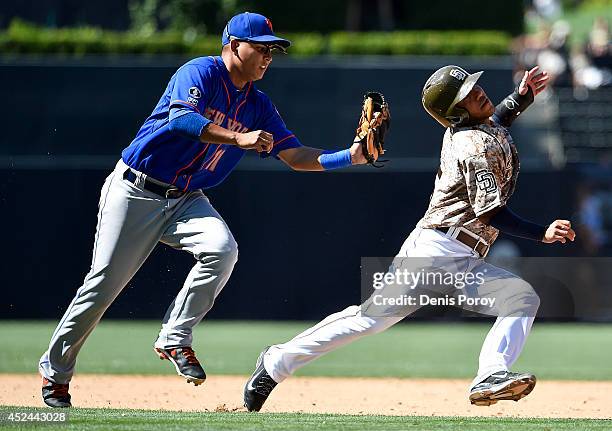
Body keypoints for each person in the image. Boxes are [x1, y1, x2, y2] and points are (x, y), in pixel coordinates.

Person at [39, 12, 380, 408]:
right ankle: (55, 373)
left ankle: (174, 336)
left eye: (273, 50)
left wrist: (350, 157)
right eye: (262, 47)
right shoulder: (200, 72)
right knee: (102, 287)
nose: (269, 56)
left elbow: (295, 155)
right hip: (136, 189)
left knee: (223, 249)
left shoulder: (259, 105)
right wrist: (239, 137)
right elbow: (182, 118)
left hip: (185, 197)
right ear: (234, 45)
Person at [243, 65, 576, 411]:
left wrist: (520, 97)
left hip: (465, 257)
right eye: (468, 95)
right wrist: (542, 233)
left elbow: (499, 120)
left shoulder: (478, 126)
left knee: (520, 299)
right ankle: (275, 362)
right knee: (370, 320)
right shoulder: (470, 144)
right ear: (456, 113)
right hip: (435, 252)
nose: (479, 92)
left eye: (475, 86)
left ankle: (490, 375)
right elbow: (490, 213)